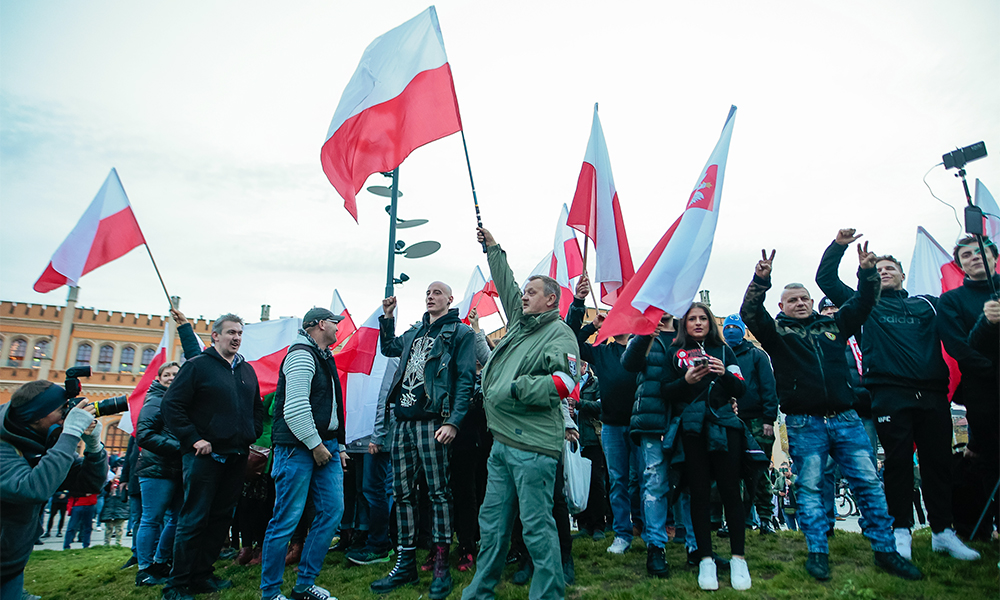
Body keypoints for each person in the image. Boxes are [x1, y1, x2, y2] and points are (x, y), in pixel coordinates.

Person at [740, 241, 921, 582]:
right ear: (782, 305)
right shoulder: (776, 333)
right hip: (804, 424)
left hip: (846, 419)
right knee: (809, 488)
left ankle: (886, 550)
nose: (800, 303)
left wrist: (867, 272)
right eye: (792, 300)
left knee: (868, 484)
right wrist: (760, 281)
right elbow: (750, 313)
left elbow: (865, 302)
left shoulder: (834, 327)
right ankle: (817, 552)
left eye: (805, 298)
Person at [816, 229, 978, 561]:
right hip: (889, 394)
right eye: (880, 269)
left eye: (892, 268)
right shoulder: (864, 305)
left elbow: (964, 320)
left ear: (904, 275)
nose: (886, 272)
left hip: (933, 393)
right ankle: (900, 531)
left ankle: (943, 532)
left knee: (938, 463)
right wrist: (839, 247)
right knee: (899, 462)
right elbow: (826, 279)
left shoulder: (929, 305)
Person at [461, 227, 580, 600]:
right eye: (525, 292)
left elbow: (566, 382)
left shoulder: (560, 334)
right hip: (503, 443)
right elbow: (507, 284)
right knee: (492, 523)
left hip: (533, 447)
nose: (523, 297)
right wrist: (493, 248)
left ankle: (548, 593)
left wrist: (517, 389)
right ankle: (480, 591)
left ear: (550, 300)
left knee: (536, 527)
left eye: (533, 293)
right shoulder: (521, 324)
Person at [371, 282, 476, 600]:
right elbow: (389, 347)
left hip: (433, 423)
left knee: (439, 493)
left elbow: (466, 380)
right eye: (427, 293)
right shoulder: (416, 332)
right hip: (401, 422)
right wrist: (387, 317)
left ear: (449, 299)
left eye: (437, 292)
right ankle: (405, 565)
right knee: (402, 493)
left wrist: (454, 422)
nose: (430, 296)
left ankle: (442, 564)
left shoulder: (460, 333)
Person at [161, 313, 264, 600]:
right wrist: (194, 438)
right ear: (215, 336)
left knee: (220, 519)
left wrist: (250, 433)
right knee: (194, 520)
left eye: (240, 333)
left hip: (236, 456)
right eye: (231, 332)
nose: (236, 338)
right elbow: (172, 406)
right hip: (203, 458)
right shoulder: (197, 367)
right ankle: (177, 583)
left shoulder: (247, 371)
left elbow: (256, 406)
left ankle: (202, 575)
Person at [259, 307, 348, 600]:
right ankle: (270, 593)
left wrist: (340, 445)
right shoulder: (301, 355)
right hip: (300, 448)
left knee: (332, 512)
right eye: (336, 323)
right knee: (286, 519)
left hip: (325, 447)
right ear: (321, 324)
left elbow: (334, 407)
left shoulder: (323, 356)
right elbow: (295, 408)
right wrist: (316, 445)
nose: (339, 328)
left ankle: (304, 586)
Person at [662, 303, 752, 591]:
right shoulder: (674, 353)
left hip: (725, 428)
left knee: (730, 492)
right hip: (692, 429)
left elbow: (740, 388)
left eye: (703, 318)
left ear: (711, 323)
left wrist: (724, 373)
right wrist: (686, 381)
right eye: (692, 319)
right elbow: (665, 391)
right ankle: (705, 559)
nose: (698, 323)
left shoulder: (725, 351)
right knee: (698, 493)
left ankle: (739, 558)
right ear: (683, 324)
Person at [0, 381, 107, 599]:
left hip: (10, 562)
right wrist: (70, 434)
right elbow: (32, 489)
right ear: (36, 416)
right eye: (61, 410)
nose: (64, 416)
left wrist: (94, 449)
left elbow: (88, 484)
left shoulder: (34, 438)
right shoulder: (4, 446)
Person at [565, 275, 642, 555]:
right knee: (619, 481)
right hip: (611, 426)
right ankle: (622, 533)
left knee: (645, 478)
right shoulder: (602, 352)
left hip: (641, 425)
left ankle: (648, 528)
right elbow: (570, 339)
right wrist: (586, 315)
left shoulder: (642, 348)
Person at [135, 308, 204, 586]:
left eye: (177, 375)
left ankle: (162, 561)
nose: (173, 378)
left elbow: (197, 360)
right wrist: (180, 447)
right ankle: (145, 567)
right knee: (151, 519)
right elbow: (144, 435)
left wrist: (186, 328)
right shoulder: (155, 401)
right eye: (168, 375)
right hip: (156, 469)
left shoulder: (182, 401)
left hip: (178, 468)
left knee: (176, 518)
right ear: (160, 379)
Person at [937, 236, 999, 535]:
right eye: (967, 254)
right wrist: (985, 326)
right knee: (991, 459)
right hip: (983, 392)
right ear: (960, 264)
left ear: (993, 256)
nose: (975, 257)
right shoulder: (952, 301)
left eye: (980, 251)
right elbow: (958, 346)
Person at [621, 311, 677, 578]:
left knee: (688, 483)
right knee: (654, 483)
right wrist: (644, 336)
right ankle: (656, 545)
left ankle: (694, 545)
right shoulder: (645, 335)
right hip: (653, 421)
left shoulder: (688, 333)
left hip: (687, 419)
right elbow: (629, 363)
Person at [722, 313, 778, 535]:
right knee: (731, 474)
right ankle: (737, 520)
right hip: (731, 420)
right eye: (727, 328)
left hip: (757, 421)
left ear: (743, 330)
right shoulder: (722, 355)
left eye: (735, 327)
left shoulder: (757, 355)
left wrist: (768, 419)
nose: (731, 331)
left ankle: (765, 518)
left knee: (759, 471)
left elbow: (768, 387)